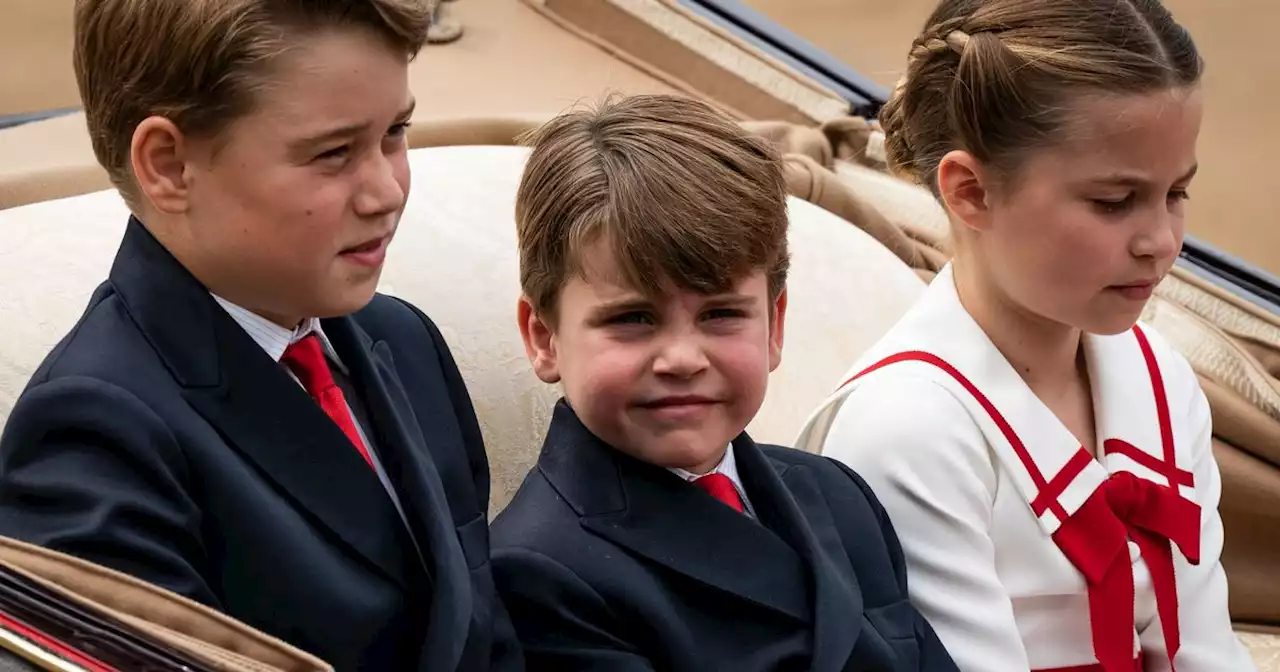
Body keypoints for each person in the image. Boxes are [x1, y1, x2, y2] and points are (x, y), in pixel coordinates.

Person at [0, 1, 522, 670]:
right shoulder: (94, 436)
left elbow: (486, 635)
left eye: (396, 131)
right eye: (334, 154)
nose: (387, 190)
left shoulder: (403, 341)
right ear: (168, 166)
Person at [794, 0, 1255, 670]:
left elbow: (1207, 651)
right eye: (1113, 201)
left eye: (1176, 194)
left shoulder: (1160, 379)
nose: (1162, 242)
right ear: (970, 191)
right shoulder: (906, 432)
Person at [490, 94, 957, 671]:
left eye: (721, 315)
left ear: (774, 325)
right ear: (543, 337)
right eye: (632, 319)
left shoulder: (836, 494)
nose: (683, 358)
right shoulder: (539, 575)